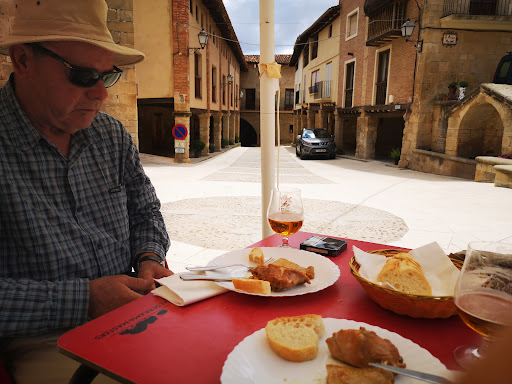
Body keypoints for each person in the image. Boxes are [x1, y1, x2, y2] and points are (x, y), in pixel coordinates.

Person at [0, 0, 173, 382]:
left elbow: (146, 211)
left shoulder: (111, 135)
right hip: (43, 340)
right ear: (23, 60)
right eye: (81, 75)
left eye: (106, 76)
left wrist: (148, 255)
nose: (102, 94)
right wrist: (85, 299)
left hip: (133, 313)